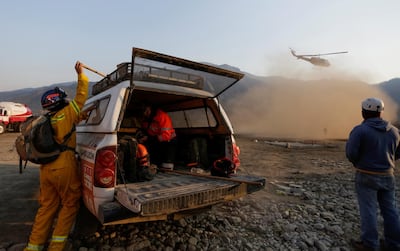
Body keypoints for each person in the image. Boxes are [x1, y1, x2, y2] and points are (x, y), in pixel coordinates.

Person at [25, 61, 89, 251]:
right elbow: (81, 96)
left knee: (47, 207)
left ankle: (33, 247)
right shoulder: (68, 112)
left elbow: (72, 119)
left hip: (46, 168)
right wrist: (81, 75)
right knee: (69, 204)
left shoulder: (49, 118)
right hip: (64, 166)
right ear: (60, 100)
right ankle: (56, 247)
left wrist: (83, 115)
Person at [346, 97, 400, 251]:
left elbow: (351, 153)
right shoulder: (395, 132)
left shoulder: (360, 130)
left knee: (368, 210)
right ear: (381, 112)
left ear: (363, 112)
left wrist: (358, 163)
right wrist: (388, 160)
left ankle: (370, 244)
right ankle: (394, 244)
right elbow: (398, 152)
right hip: (388, 175)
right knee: (390, 210)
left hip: (366, 174)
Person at [140, 102, 176, 169]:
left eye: (147, 111)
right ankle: (154, 164)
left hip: (168, 142)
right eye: (143, 111)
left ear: (151, 109)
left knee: (167, 167)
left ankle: (164, 164)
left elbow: (166, 136)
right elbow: (144, 130)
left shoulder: (162, 116)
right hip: (156, 141)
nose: (145, 113)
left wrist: (149, 139)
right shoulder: (145, 119)